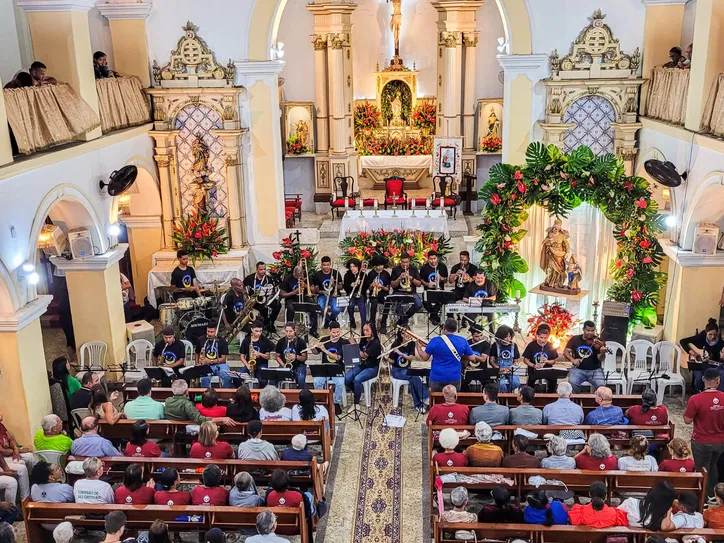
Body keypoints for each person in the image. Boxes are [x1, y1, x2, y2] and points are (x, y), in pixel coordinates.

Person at [684, 367, 724, 497]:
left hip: (701, 441)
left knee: (700, 468)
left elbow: (687, 420)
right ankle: (712, 495)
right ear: (717, 381)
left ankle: (700, 496)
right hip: (720, 441)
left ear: (703, 379)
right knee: (713, 466)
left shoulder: (696, 399)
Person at [416, 318, 473, 392]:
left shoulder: (435, 340)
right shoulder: (463, 341)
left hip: (437, 376)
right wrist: (459, 355)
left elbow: (424, 357)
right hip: (454, 376)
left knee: (436, 401)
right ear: (455, 329)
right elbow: (472, 357)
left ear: (444, 328)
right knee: (452, 401)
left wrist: (418, 347)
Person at [389, 329, 429, 413]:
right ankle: (425, 397)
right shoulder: (395, 344)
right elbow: (391, 361)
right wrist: (386, 358)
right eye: (406, 335)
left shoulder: (411, 343)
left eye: (409, 335)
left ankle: (418, 404)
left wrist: (400, 353)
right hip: (397, 370)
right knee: (413, 376)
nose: (408, 336)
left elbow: (411, 358)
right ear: (401, 335)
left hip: (406, 369)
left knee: (413, 379)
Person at [164, 379, 235, 427]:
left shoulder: (167, 400)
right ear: (186, 391)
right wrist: (221, 419)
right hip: (185, 429)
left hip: (170, 428)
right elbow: (200, 420)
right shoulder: (187, 405)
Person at [311, 321, 348, 413]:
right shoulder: (324, 340)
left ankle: (335, 402)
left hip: (338, 368)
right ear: (329, 331)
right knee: (317, 381)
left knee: (340, 383)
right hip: (325, 369)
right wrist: (313, 349)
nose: (336, 334)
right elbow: (316, 352)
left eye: (338, 332)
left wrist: (325, 350)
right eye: (334, 332)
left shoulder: (344, 342)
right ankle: (321, 401)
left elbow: (337, 357)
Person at [680, 319, 724, 393]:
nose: (712, 337)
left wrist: (721, 358)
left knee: (719, 376)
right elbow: (683, 341)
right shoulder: (700, 338)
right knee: (700, 377)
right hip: (698, 365)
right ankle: (699, 394)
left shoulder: (721, 343)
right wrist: (693, 353)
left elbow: (719, 360)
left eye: (715, 335)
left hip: (712, 366)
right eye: (710, 334)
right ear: (706, 333)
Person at [345, 323, 382, 407]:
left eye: (367, 330)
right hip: (361, 365)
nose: (365, 332)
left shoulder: (375, 343)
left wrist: (354, 345)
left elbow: (364, 355)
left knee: (357, 379)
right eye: (364, 330)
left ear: (372, 330)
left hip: (372, 367)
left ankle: (356, 403)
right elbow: (358, 354)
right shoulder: (364, 340)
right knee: (346, 379)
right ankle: (358, 391)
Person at [564, 321, 607, 393]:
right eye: (588, 330)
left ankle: (599, 402)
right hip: (578, 370)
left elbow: (600, 358)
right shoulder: (575, 339)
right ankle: (576, 402)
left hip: (595, 371)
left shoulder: (598, 342)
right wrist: (573, 360)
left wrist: (602, 353)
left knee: (602, 386)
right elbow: (565, 352)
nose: (590, 333)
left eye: (592, 331)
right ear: (583, 329)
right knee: (572, 383)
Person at [279, 266, 318, 338]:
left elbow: (313, 290)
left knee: (313, 307)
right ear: (294, 273)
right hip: (291, 298)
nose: (300, 277)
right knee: (290, 308)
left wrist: (305, 285)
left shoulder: (306, 277)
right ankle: (290, 330)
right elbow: (282, 294)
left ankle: (313, 329)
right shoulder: (288, 279)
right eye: (297, 276)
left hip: (305, 297)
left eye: (301, 275)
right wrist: (294, 292)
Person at [522, 324, 562, 393]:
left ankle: (549, 396)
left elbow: (554, 361)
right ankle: (530, 396)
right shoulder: (531, 345)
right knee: (531, 380)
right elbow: (525, 360)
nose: (543, 340)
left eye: (545, 338)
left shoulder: (551, 345)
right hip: (534, 370)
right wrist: (534, 365)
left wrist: (547, 361)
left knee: (553, 379)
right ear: (537, 336)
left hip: (547, 369)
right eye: (541, 337)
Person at [243, 262, 281, 333]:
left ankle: (271, 323)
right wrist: (246, 296)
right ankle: (265, 324)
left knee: (278, 305)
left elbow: (271, 291)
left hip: (265, 298)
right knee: (264, 309)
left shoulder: (268, 279)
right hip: (254, 300)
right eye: (261, 269)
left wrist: (270, 295)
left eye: (264, 269)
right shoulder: (250, 278)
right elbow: (243, 286)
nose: (263, 271)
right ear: (256, 269)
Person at [239, 320, 276, 387]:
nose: (259, 333)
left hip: (261, 364)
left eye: (260, 331)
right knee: (238, 377)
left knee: (262, 381)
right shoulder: (246, 340)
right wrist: (247, 365)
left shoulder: (265, 340)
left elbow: (268, 357)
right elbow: (242, 356)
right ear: (252, 329)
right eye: (256, 331)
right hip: (249, 364)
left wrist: (259, 354)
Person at [390, 254, 422, 326]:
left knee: (419, 304)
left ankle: (403, 319)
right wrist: (399, 278)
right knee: (395, 305)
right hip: (398, 292)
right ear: (400, 262)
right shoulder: (395, 269)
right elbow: (392, 285)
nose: (405, 264)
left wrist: (411, 278)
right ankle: (403, 321)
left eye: (406, 262)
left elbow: (419, 284)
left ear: (409, 261)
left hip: (411, 292)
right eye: (403, 262)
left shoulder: (414, 269)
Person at [275, 322, 308, 389]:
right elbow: (277, 356)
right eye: (286, 331)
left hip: (298, 365)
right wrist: (283, 365)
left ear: (294, 331)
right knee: (274, 378)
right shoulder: (281, 341)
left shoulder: (301, 342)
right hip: (284, 364)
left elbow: (305, 358)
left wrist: (295, 357)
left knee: (301, 378)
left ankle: (300, 395)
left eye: (290, 331)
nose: (288, 333)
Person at [420, 251, 448, 326]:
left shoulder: (442, 266)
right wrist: (427, 284)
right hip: (428, 290)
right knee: (425, 302)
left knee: (440, 301)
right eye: (431, 259)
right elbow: (421, 280)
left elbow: (446, 280)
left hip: (440, 290)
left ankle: (433, 316)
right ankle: (435, 316)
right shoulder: (424, 267)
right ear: (428, 259)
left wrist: (441, 278)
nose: (433, 261)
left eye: (434, 258)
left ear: (437, 258)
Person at [313, 256, 343, 328]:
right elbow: (316, 290)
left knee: (337, 309)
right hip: (322, 295)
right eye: (324, 265)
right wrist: (322, 292)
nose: (326, 267)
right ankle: (328, 319)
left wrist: (334, 284)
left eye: (328, 265)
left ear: (330, 264)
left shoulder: (336, 273)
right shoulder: (317, 274)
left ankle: (331, 318)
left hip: (333, 295)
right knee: (319, 307)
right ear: (321, 265)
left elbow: (341, 287)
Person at [488, 325, 519, 392]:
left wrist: (512, 367)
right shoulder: (495, 345)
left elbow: (516, 361)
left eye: (510, 336)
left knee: (515, 383)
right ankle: (504, 398)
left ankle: (509, 395)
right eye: (506, 337)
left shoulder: (514, 345)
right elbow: (491, 361)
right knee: (501, 384)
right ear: (500, 337)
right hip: (499, 371)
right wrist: (498, 368)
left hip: (511, 370)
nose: (508, 339)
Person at [366, 256, 391, 333]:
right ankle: (372, 322)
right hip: (374, 294)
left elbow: (388, 289)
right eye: (377, 265)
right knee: (374, 303)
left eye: (381, 265)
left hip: (383, 294)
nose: (379, 267)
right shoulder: (371, 273)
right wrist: (372, 285)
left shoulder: (386, 274)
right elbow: (369, 289)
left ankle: (383, 322)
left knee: (388, 302)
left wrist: (381, 286)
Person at [343, 258, 368, 328]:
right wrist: (351, 285)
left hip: (361, 294)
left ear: (358, 266)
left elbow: (366, 287)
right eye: (351, 267)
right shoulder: (347, 275)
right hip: (351, 294)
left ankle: (364, 324)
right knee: (350, 305)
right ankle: (352, 320)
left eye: (354, 266)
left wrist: (360, 284)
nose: (352, 268)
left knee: (362, 305)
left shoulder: (363, 275)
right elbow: (345, 288)